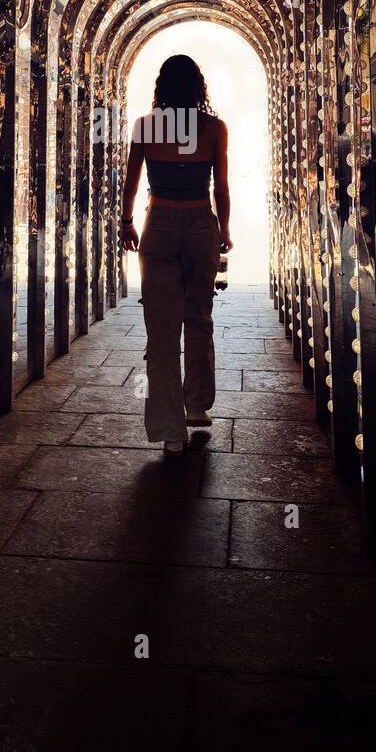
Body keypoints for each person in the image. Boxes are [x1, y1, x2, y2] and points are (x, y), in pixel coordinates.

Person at [120, 55, 232, 456]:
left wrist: (126, 223)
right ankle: (197, 407)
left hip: (160, 225)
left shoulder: (146, 127)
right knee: (199, 317)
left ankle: (170, 432)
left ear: (161, 87)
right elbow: (221, 186)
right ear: (198, 86)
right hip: (201, 222)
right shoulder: (214, 129)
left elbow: (131, 184)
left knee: (162, 331)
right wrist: (225, 229)